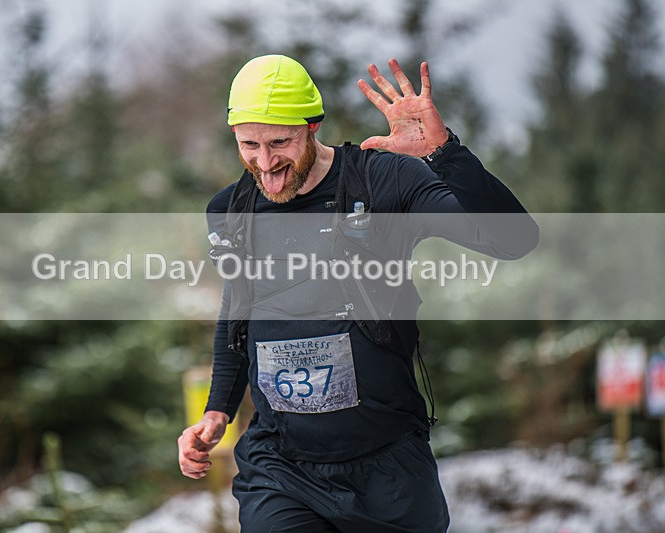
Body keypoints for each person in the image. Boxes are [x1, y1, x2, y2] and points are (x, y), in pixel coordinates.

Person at [177, 54, 538, 532]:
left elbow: (512, 241)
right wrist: (218, 408)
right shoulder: (230, 209)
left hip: (387, 468)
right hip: (282, 467)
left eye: (280, 142)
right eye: (249, 145)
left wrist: (444, 153)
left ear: (313, 126)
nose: (265, 164)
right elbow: (239, 308)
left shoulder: (385, 181)